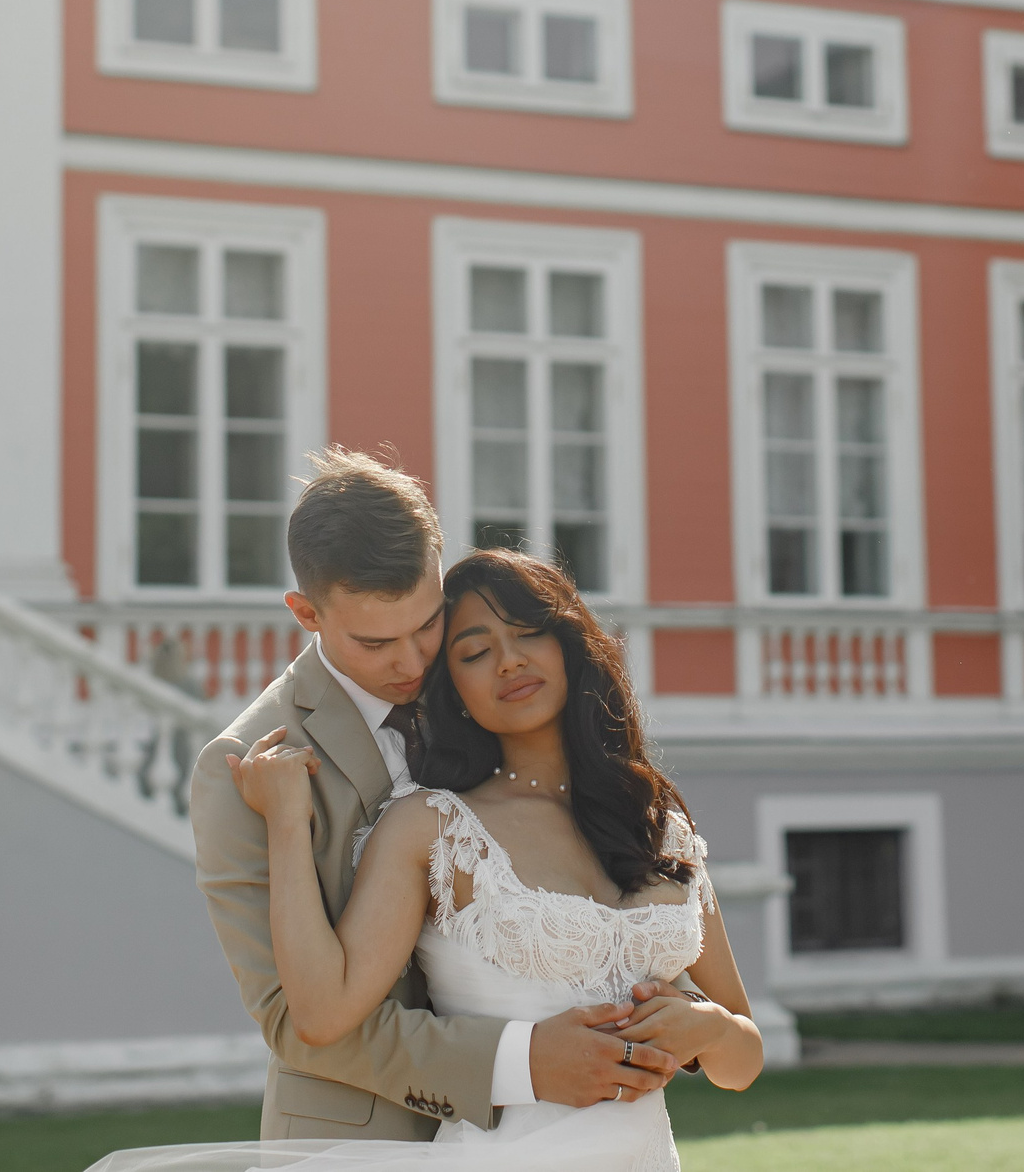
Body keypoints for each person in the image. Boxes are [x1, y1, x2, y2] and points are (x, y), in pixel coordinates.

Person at [88, 464, 762, 1172]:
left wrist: (699, 1027)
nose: (413, 662)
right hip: (366, 1141)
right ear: (307, 613)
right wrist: (523, 1063)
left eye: (429, 625)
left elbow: (721, 1025)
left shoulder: (521, 709)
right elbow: (300, 1022)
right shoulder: (246, 768)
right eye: (375, 644)